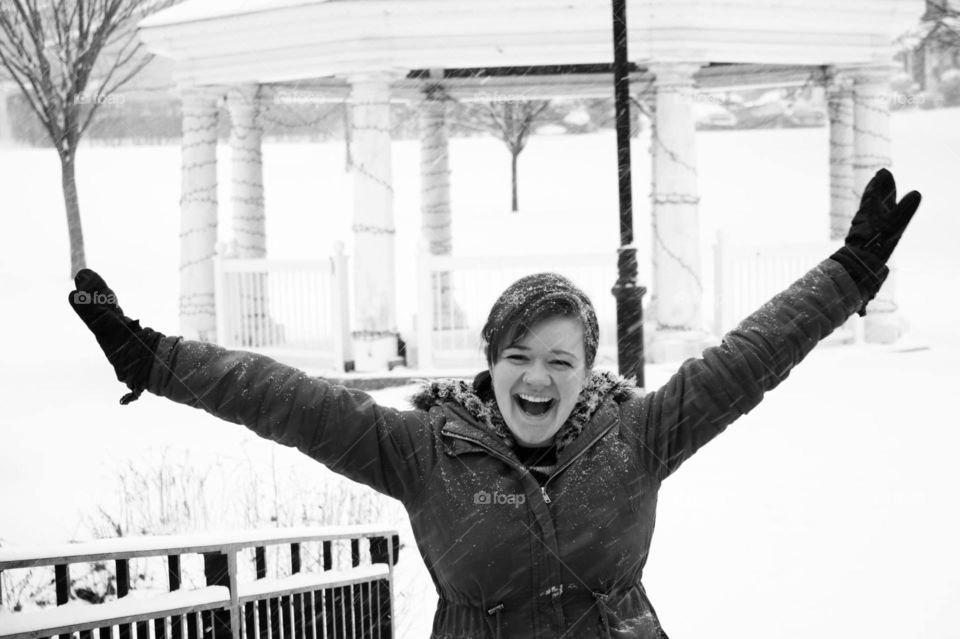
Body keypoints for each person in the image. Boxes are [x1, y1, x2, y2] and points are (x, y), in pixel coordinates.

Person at [69, 169, 921, 638]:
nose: (538, 378)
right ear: (490, 365)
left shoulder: (642, 435)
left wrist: (845, 277)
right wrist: (160, 358)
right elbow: (288, 401)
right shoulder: (420, 450)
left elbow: (748, 359)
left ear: (590, 371)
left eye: (561, 359)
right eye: (519, 355)